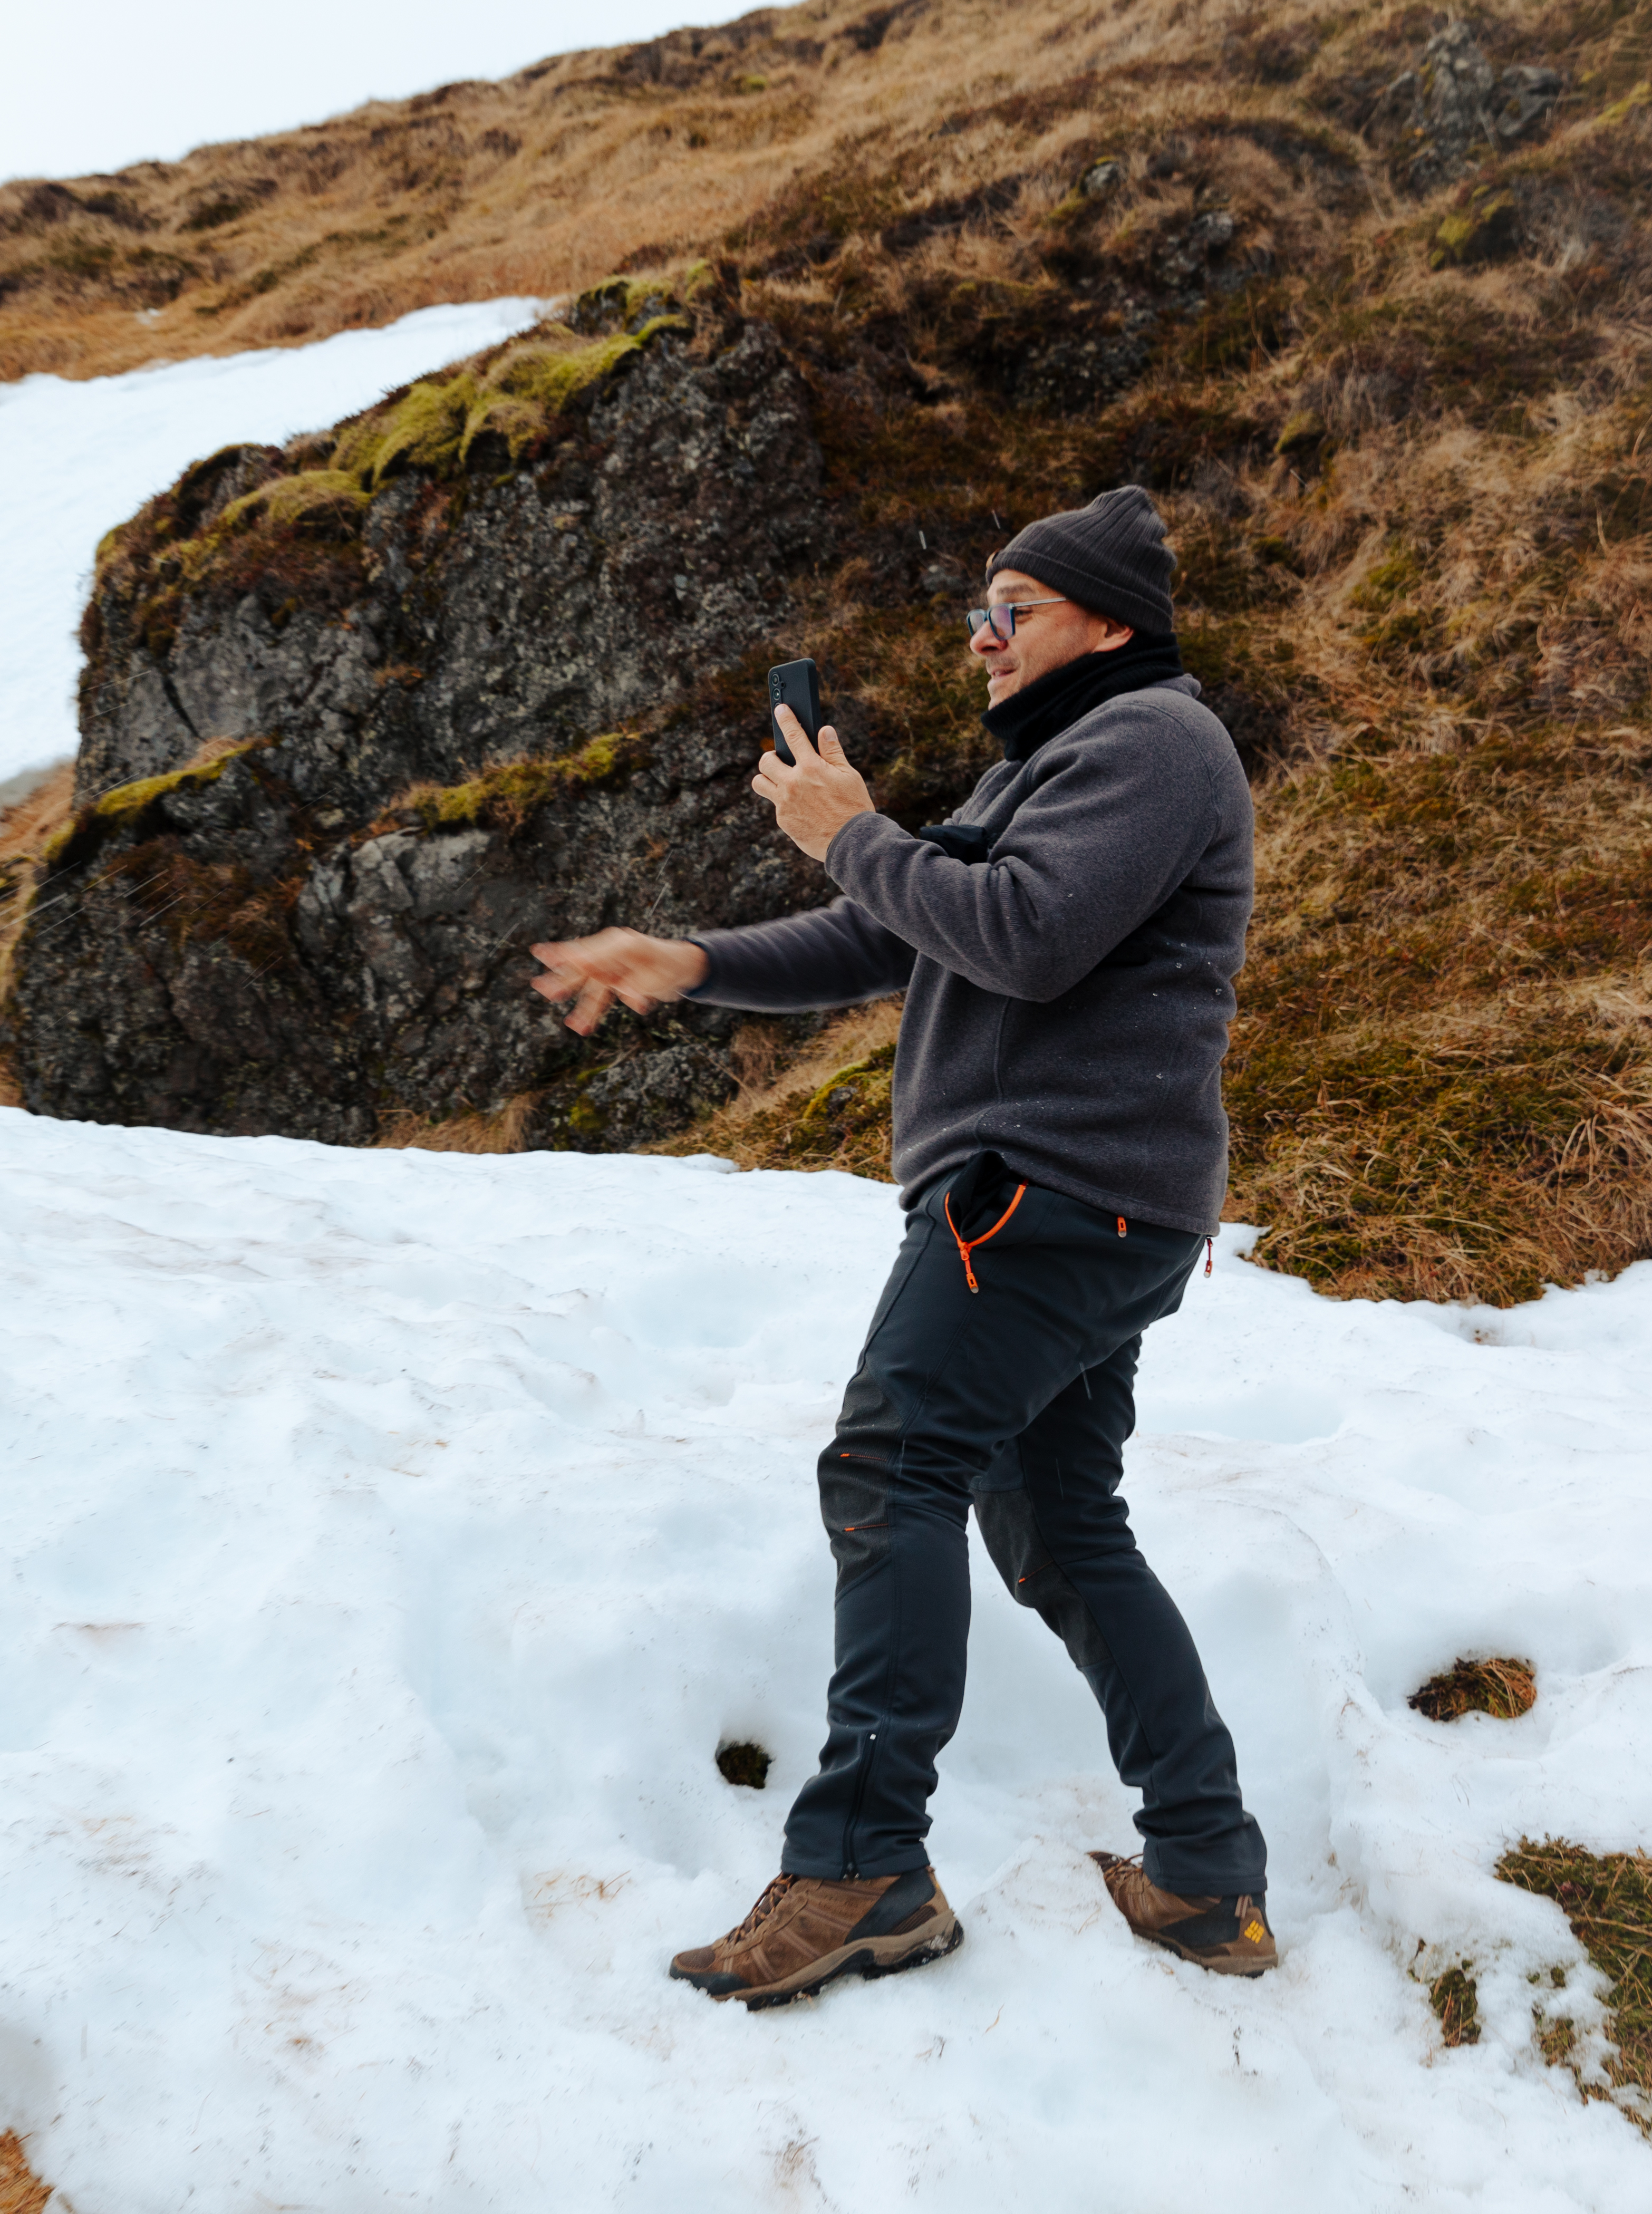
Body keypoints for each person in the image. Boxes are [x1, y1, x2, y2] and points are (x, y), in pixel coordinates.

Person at [528, 486, 1273, 2008]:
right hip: (1084, 1199)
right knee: (1058, 1531)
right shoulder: (1065, 761)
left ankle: (862, 1864)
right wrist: (693, 961)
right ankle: (1205, 1872)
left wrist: (850, 830)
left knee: (889, 1473)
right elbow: (904, 929)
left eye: (1011, 610)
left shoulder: (1149, 742)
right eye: (975, 615)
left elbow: (1020, 936)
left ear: (1108, 625)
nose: (979, 639)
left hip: (1040, 1198)